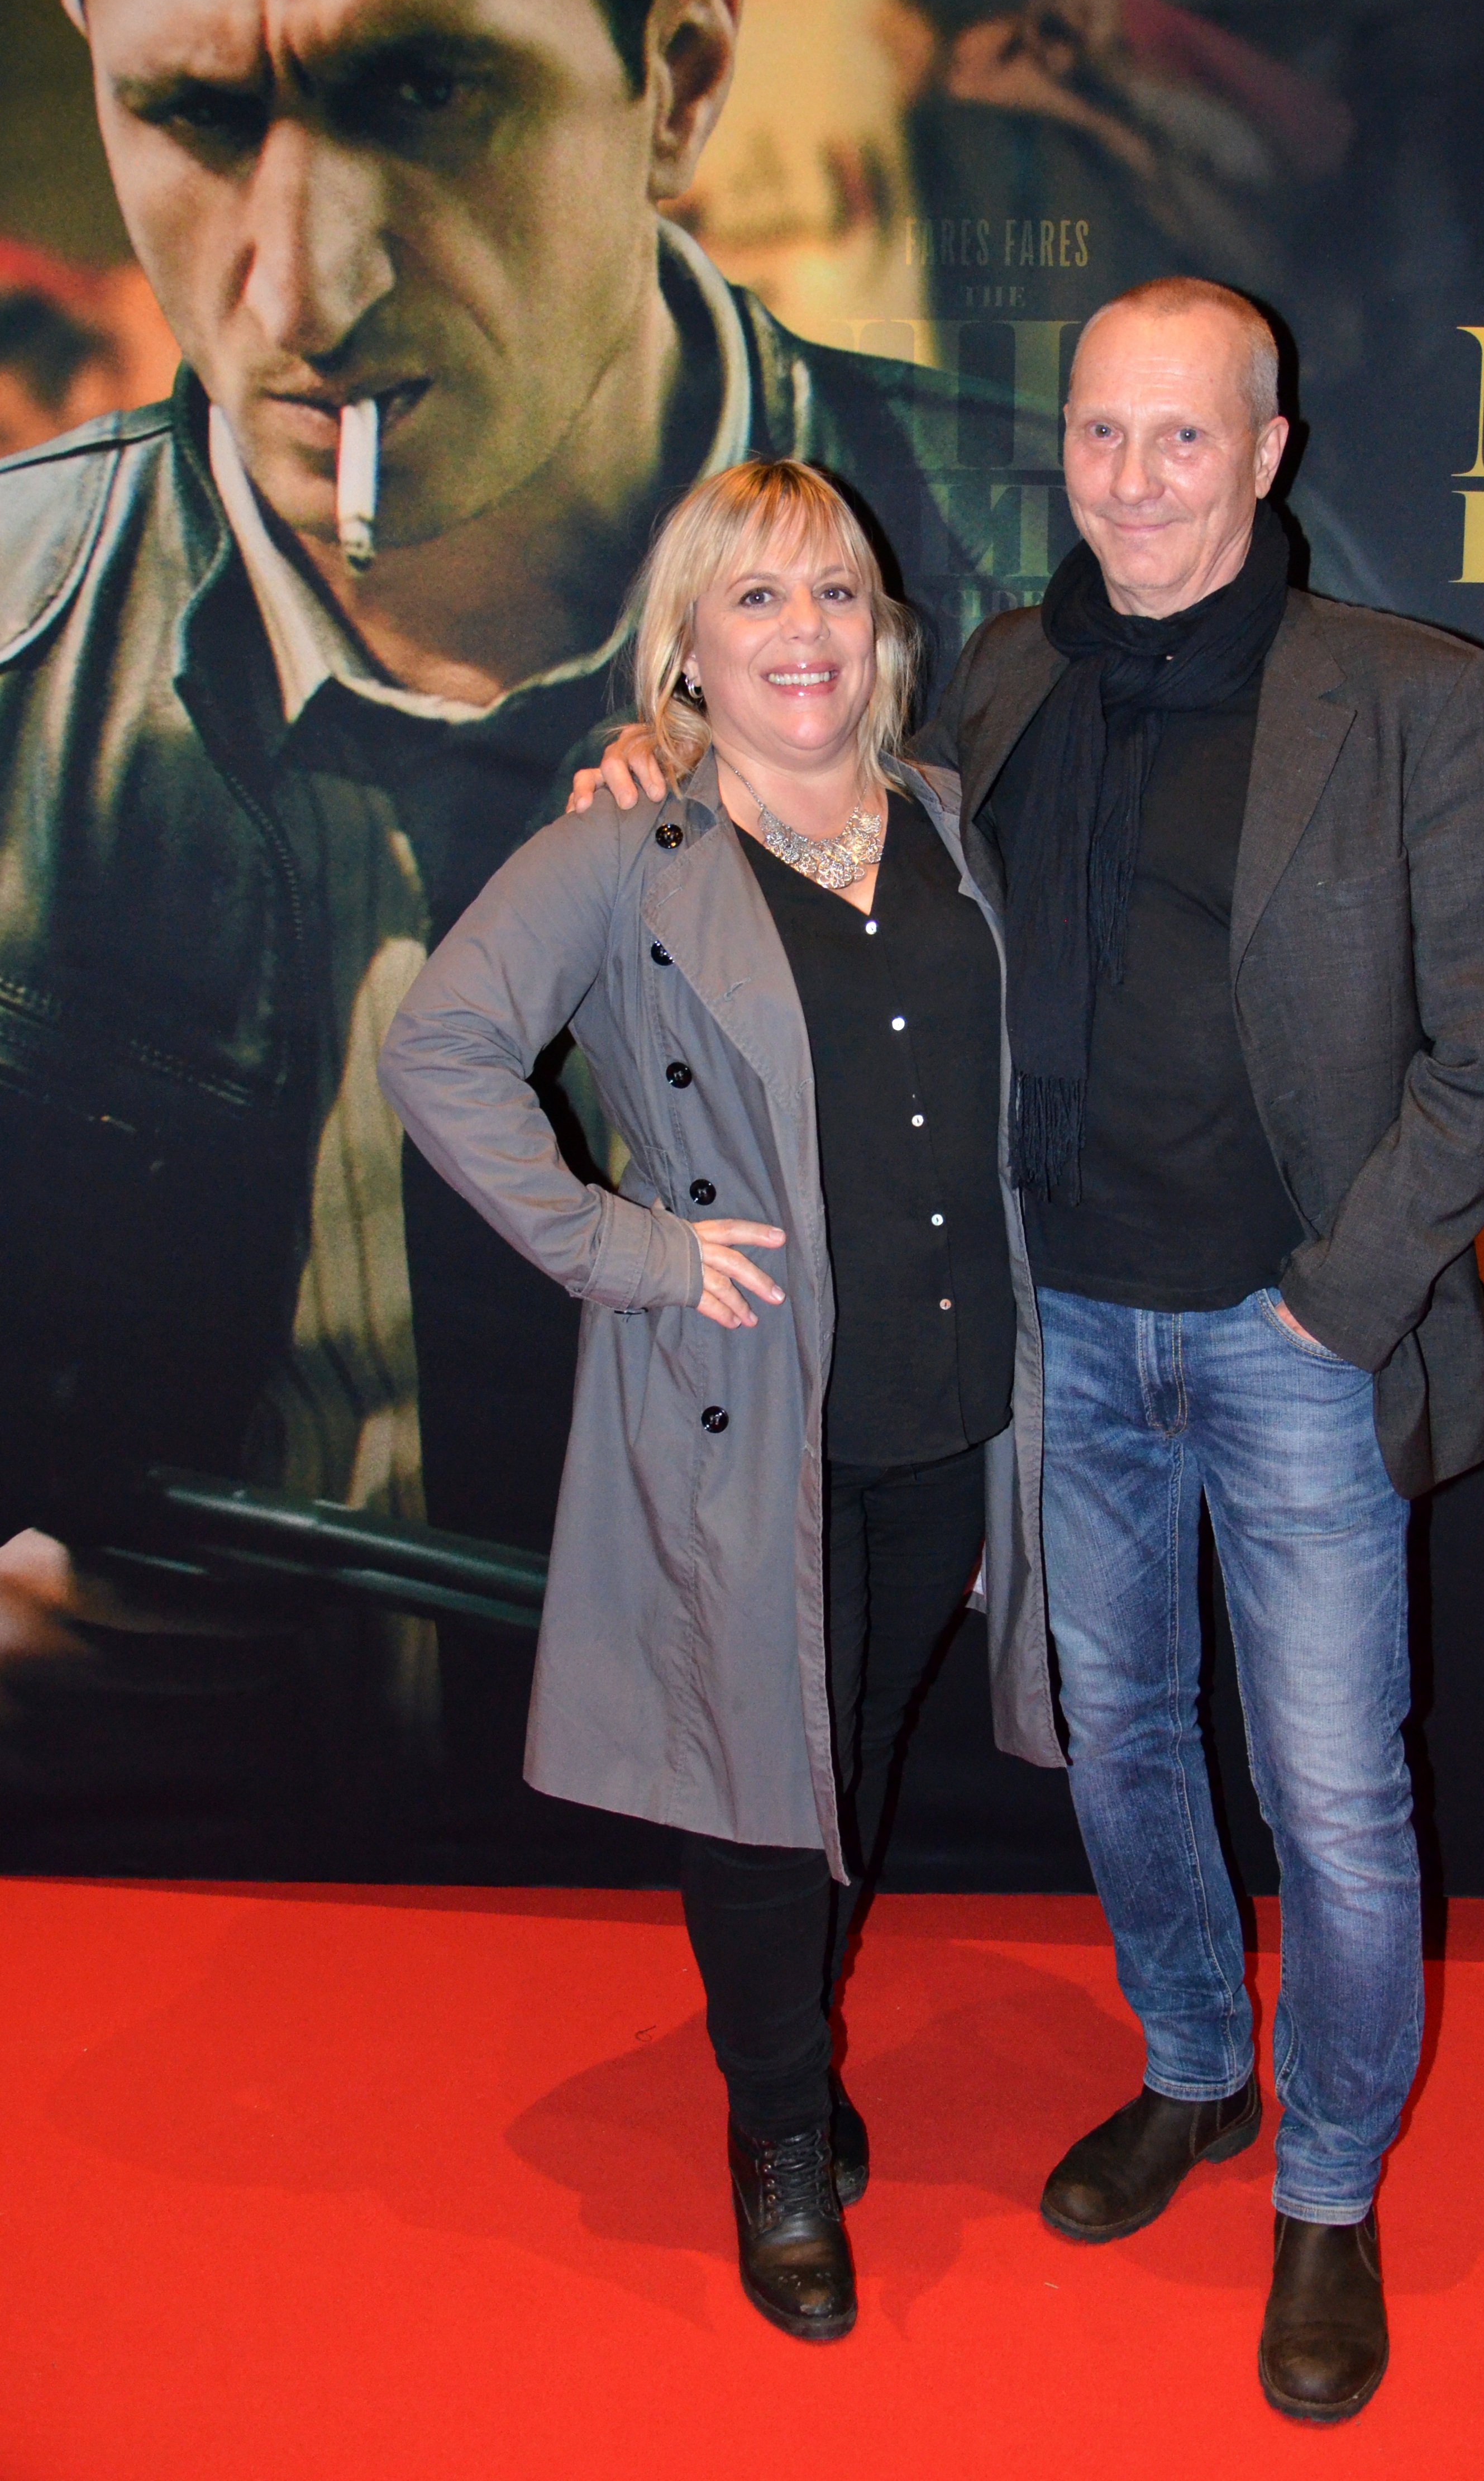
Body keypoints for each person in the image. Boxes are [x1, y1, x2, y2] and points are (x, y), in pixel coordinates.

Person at [0, 0, 1033, 1867]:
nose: (306, 284)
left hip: (818, 1854)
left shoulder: (1054, 623)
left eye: (426, 90)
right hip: (185, 1915)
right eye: (193, 112)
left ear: (684, 70)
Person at [575, 275, 1484, 2420]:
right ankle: (1196, 2068)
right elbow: (837, 820)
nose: (1135, 479)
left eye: (1184, 436)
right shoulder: (1010, 672)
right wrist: (669, 758)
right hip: (1064, 1341)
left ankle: (1329, 2185)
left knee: (1336, 1794)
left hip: (1300, 1339)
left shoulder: (1417, 695)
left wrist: (1337, 1302)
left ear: (1268, 451)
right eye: (1102, 433)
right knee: (1120, 1749)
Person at [381, 458, 1056, 2340]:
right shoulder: (629, 847)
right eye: (753, 597)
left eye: (833, 590)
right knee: (764, 1775)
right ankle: (776, 2129)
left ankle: (794, 2050)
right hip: (748, 1407)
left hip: (948, 1395)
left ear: (883, 629)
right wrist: (625, 1248)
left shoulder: (951, 820)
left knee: (857, 1748)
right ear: (685, 646)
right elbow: (441, 1049)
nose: (802, 631)